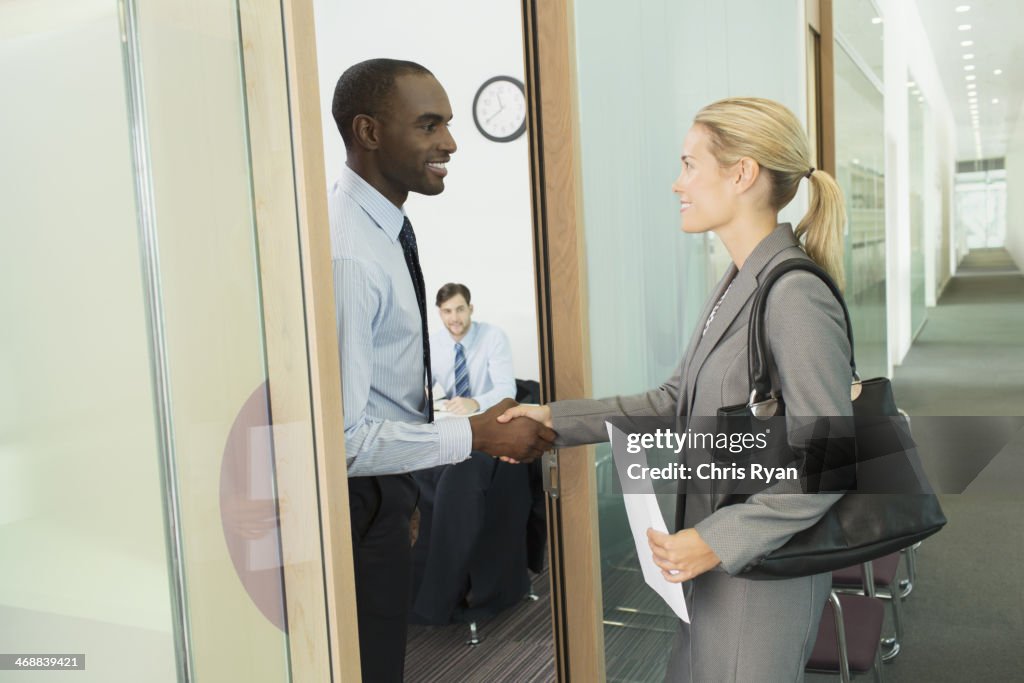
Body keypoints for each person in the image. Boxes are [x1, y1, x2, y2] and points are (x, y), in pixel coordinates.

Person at [501, 97, 851, 682]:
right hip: (713, 568)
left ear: (741, 174)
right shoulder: (740, 279)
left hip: (759, 579)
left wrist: (715, 540)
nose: (676, 183)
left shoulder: (793, 294)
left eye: (689, 165)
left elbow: (830, 460)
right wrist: (553, 419)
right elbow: (674, 400)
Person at [328, 58, 554, 682]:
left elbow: (384, 397)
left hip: (386, 492)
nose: (450, 142)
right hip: (359, 497)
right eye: (430, 125)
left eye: (448, 124)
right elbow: (342, 441)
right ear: (369, 132)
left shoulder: (385, 228)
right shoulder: (349, 253)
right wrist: (477, 435)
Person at [409, 283, 527, 623]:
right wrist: (431, 398)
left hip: (484, 430)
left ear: (470, 309)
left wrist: (476, 402)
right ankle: (419, 588)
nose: (454, 318)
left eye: (459, 310)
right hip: (444, 431)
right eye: (447, 312)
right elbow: (420, 388)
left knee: (460, 483)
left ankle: (449, 593)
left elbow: (507, 390)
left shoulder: (493, 338)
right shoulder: (430, 343)